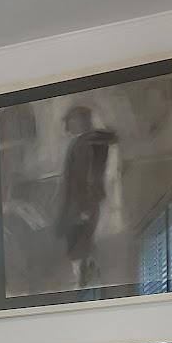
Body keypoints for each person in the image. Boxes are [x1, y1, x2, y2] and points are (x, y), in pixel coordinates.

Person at [55, 104, 124, 289]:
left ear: (80, 122)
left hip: (82, 204)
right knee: (84, 243)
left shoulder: (84, 144)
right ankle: (87, 279)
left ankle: (83, 281)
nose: (68, 125)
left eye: (71, 121)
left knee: (79, 244)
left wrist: (82, 208)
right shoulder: (92, 141)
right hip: (85, 203)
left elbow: (86, 177)